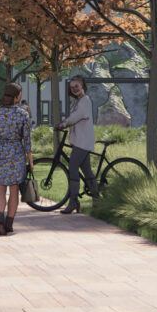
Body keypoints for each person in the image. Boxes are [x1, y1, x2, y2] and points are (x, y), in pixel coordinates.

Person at [0, 83, 34, 235]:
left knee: (0, 190)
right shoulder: (22, 114)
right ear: (17, 96)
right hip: (16, 153)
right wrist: (30, 160)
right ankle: (9, 223)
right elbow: (27, 140)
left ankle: (0, 221)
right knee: (14, 191)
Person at [54, 75, 97, 214]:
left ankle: (73, 202)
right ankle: (97, 200)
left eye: (76, 86)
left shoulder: (85, 100)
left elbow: (77, 117)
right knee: (87, 171)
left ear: (83, 86)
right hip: (80, 140)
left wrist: (64, 124)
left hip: (83, 141)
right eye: (72, 88)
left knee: (72, 167)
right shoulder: (77, 101)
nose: (74, 89)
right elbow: (75, 116)